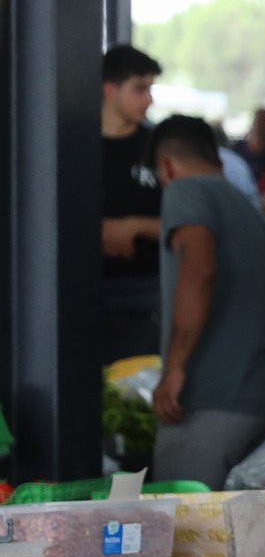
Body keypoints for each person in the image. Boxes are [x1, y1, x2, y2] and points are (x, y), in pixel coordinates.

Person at [146, 116, 265, 487]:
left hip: (212, 402)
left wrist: (175, 367)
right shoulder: (251, 214)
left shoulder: (185, 191)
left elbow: (199, 270)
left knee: (186, 534)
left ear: (166, 167)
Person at [101, 45, 164, 363]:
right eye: (140, 89)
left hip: (146, 292)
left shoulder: (158, 147)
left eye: (150, 89)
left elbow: (189, 220)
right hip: (81, 287)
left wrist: (133, 226)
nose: (149, 100)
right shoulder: (72, 143)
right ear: (109, 90)